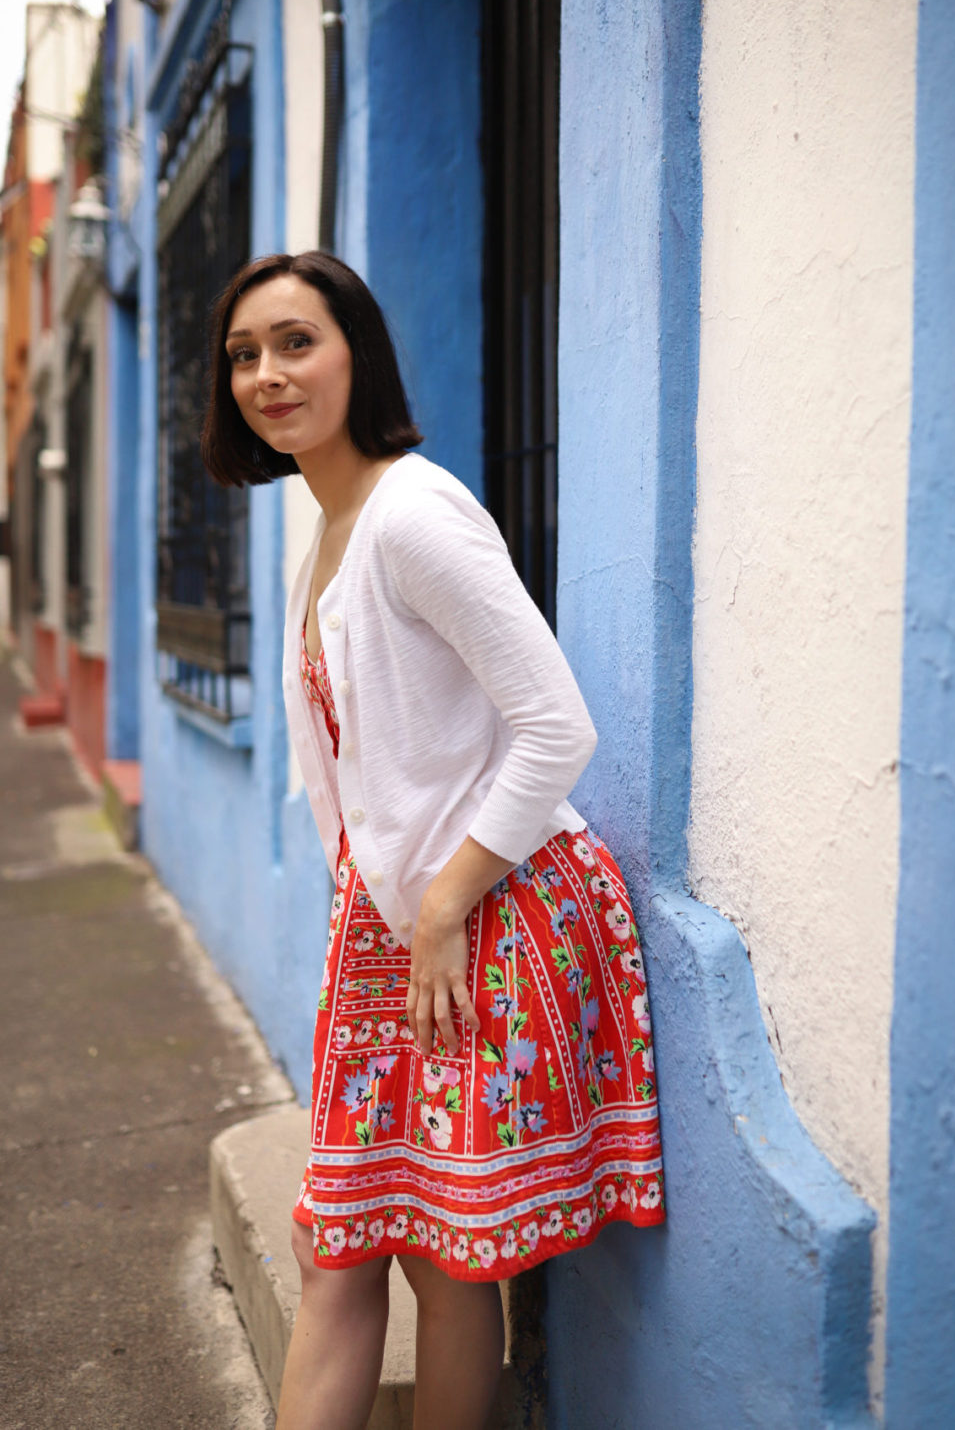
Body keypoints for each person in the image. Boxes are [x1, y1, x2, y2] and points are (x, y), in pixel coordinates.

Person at [202, 251, 664, 1430]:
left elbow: (557, 725)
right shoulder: (329, 536)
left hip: (486, 912)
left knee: (449, 1261)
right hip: (392, 926)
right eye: (245, 355)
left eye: (296, 342)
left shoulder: (413, 514)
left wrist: (447, 903)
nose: (267, 374)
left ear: (358, 353)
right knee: (339, 1246)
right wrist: (393, 913)